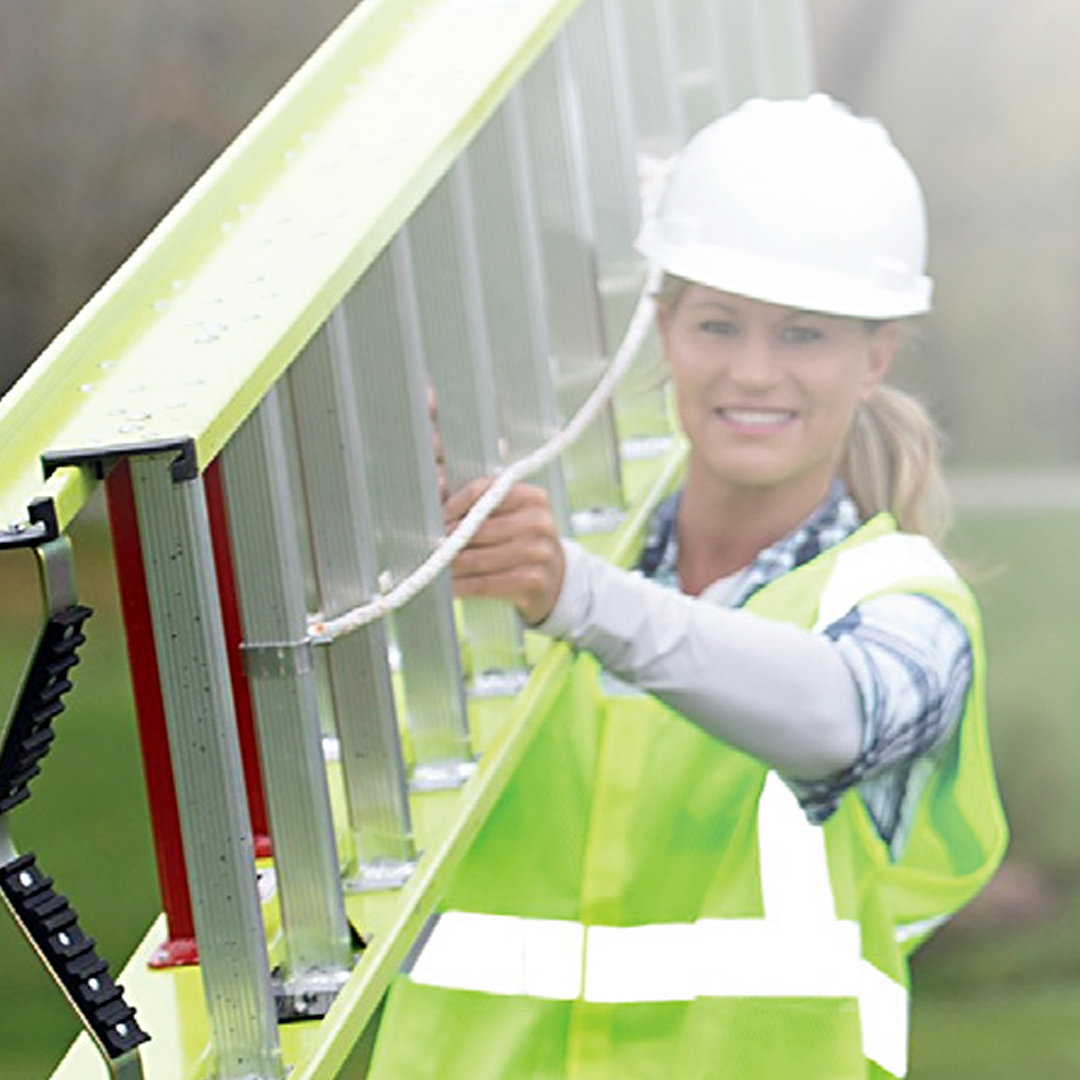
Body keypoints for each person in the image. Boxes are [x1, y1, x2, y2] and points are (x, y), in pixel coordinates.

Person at [368, 94, 1006, 1080]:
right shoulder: (552, 560)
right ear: (663, 330)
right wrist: (409, 516)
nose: (753, 373)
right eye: (718, 323)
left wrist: (575, 596)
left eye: (804, 335)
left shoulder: (902, 596)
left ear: (874, 357)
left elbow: (835, 719)